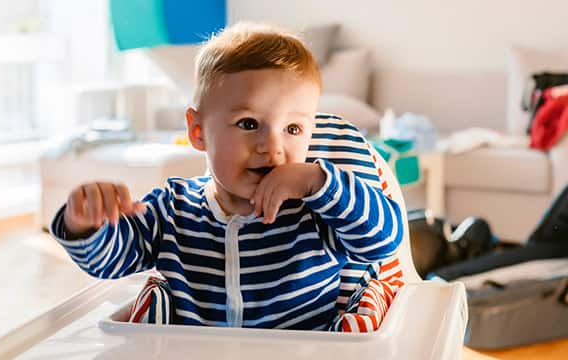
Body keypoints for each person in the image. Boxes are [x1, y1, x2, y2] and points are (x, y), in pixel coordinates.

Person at [51, 22, 404, 331]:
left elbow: (382, 242)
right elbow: (108, 262)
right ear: (198, 131)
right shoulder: (173, 210)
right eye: (249, 124)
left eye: (293, 128)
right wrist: (85, 224)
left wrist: (318, 183)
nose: (272, 146)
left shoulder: (316, 212)